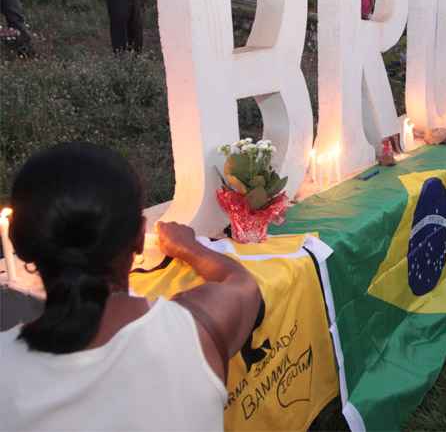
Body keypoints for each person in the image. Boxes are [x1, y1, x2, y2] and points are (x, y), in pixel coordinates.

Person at [0, 143, 261, 431]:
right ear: (139, 236)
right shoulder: (198, 331)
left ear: (21, 245)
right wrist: (188, 247)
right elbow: (243, 283)